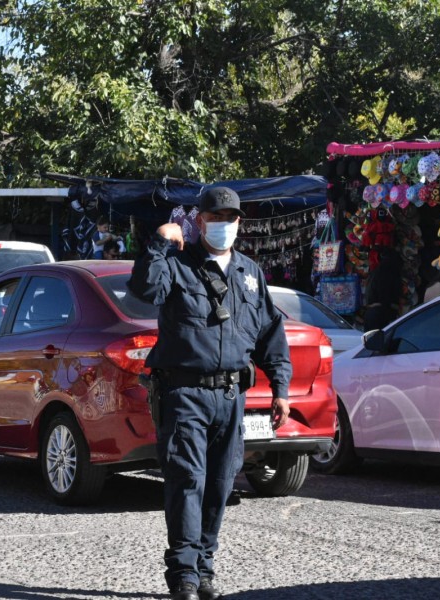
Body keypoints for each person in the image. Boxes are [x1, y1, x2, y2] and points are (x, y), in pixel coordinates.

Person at [128, 186, 292, 600]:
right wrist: (161, 241)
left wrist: (280, 388)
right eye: (215, 217)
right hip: (184, 393)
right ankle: (183, 573)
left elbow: (271, 332)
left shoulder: (250, 273)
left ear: (240, 222)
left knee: (220, 484)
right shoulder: (177, 265)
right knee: (187, 481)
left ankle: (204, 569)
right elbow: (145, 290)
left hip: (231, 396)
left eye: (230, 218)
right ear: (199, 221)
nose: (223, 225)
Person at [362, 247, 402, 331]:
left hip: (370, 313)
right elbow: (385, 295)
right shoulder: (389, 272)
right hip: (380, 313)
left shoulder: (375, 272)